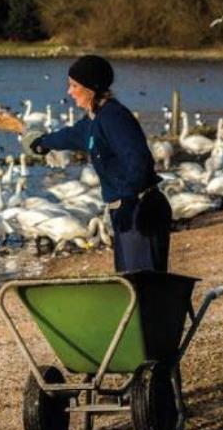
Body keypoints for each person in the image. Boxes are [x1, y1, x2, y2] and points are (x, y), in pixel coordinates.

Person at [21, 55, 172, 273]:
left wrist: (130, 202)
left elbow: (139, 160)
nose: (69, 92)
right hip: (125, 211)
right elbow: (73, 135)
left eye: (74, 86)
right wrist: (42, 143)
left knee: (142, 286)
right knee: (130, 283)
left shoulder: (114, 118)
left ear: (92, 88)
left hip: (141, 211)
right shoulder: (95, 119)